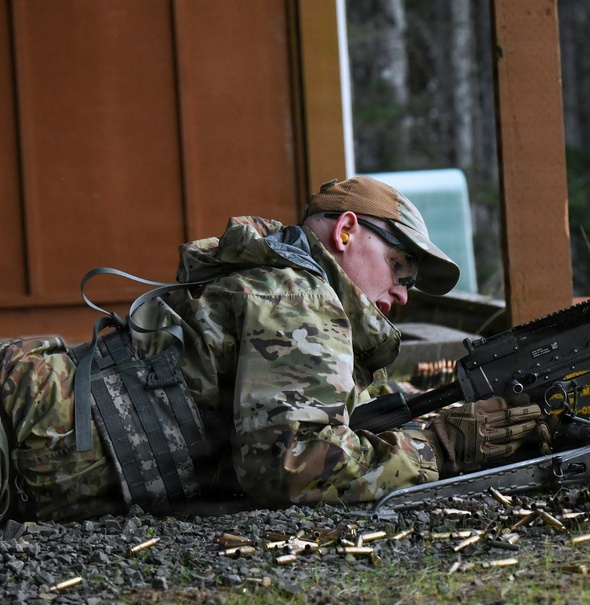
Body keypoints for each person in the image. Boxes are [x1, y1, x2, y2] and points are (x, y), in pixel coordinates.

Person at [0, 176, 545, 523]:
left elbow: (340, 407)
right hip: (16, 438)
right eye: (399, 267)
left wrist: (439, 411)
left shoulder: (279, 282)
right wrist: (441, 447)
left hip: (24, 412)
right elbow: (293, 465)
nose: (403, 293)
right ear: (347, 231)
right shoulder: (298, 297)